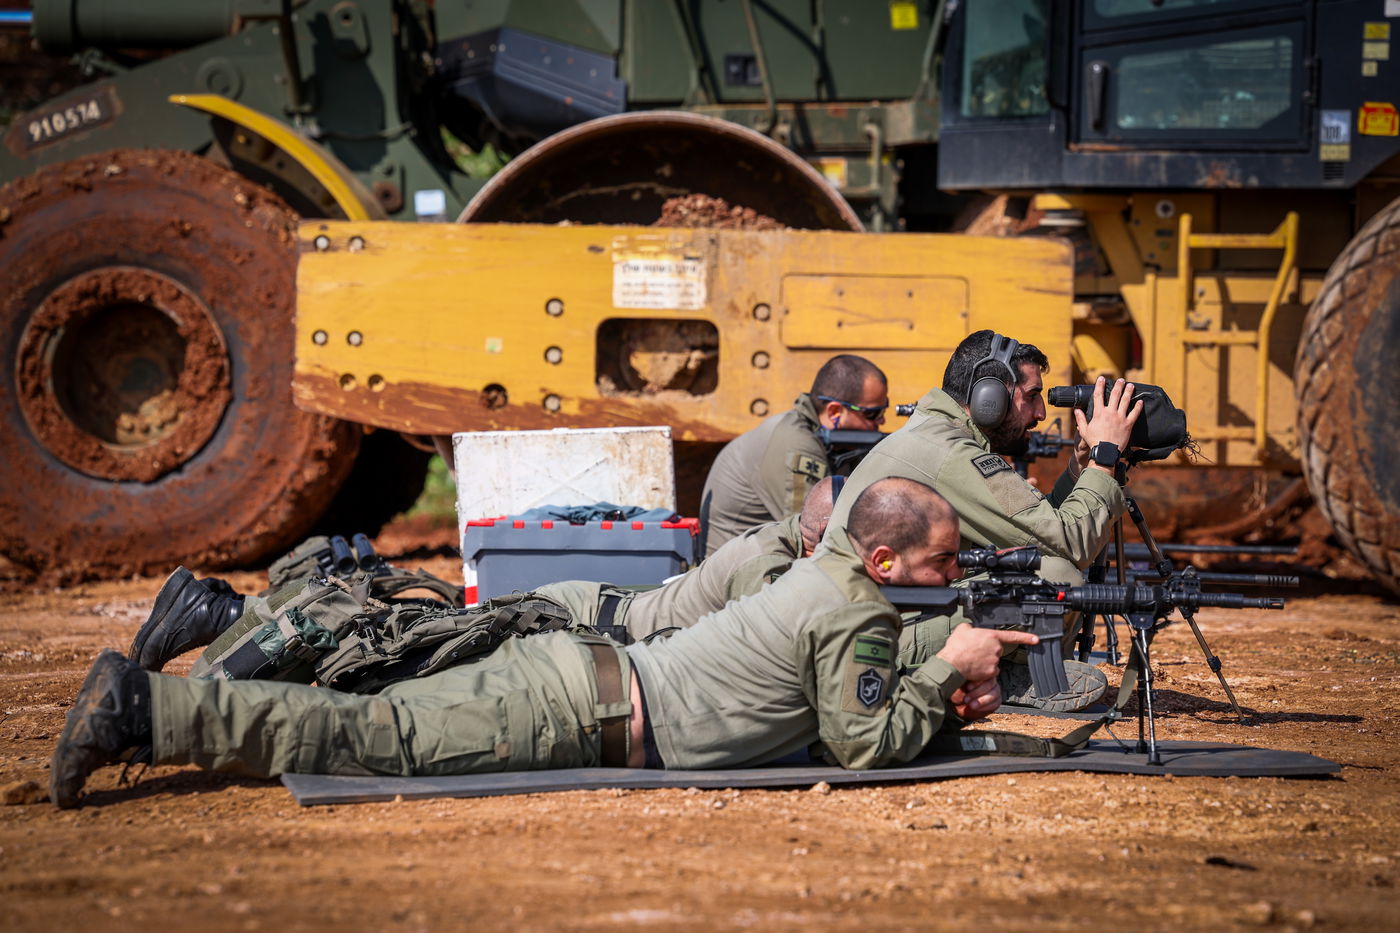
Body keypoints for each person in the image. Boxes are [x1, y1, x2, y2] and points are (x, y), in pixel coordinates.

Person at [52, 478, 1036, 809]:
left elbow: (831, 691)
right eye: (945, 564)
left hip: (575, 673)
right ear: (880, 557)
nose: (951, 577)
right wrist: (941, 670)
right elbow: (859, 743)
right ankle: (147, 710)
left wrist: (930, 676)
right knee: (366, 739)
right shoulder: (856, 611)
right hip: (578, 705)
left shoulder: (824, 580)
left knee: (378, 696)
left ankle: (181, 677)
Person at [127, 477, 842, 676]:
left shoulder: (776, 542)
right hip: (584, 623)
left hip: (594, 618)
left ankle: (223, 611)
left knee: (414, 634)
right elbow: (774, 658)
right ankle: (218, 617)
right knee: (404, 647)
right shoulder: (771, 564)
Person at [824, 329, 1143, 711]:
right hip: (873, 643)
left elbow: (1036, 526)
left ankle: (991, 674)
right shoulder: (951, 455)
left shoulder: (938, 437)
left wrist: (1081, 466)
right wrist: (1105, 458)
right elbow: (1069, 541)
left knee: (1046, 567)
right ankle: (984, 677)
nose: (1040, 414)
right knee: (1056, 579)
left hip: (876, 624)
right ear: (988, 398)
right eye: (1031, 396)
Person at [699, 354, 888, 557]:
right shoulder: (796, 445)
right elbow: (814, 535)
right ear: (834, 412)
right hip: (740, 575)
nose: (882, 421)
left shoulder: (831, 441)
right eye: (872, 414)